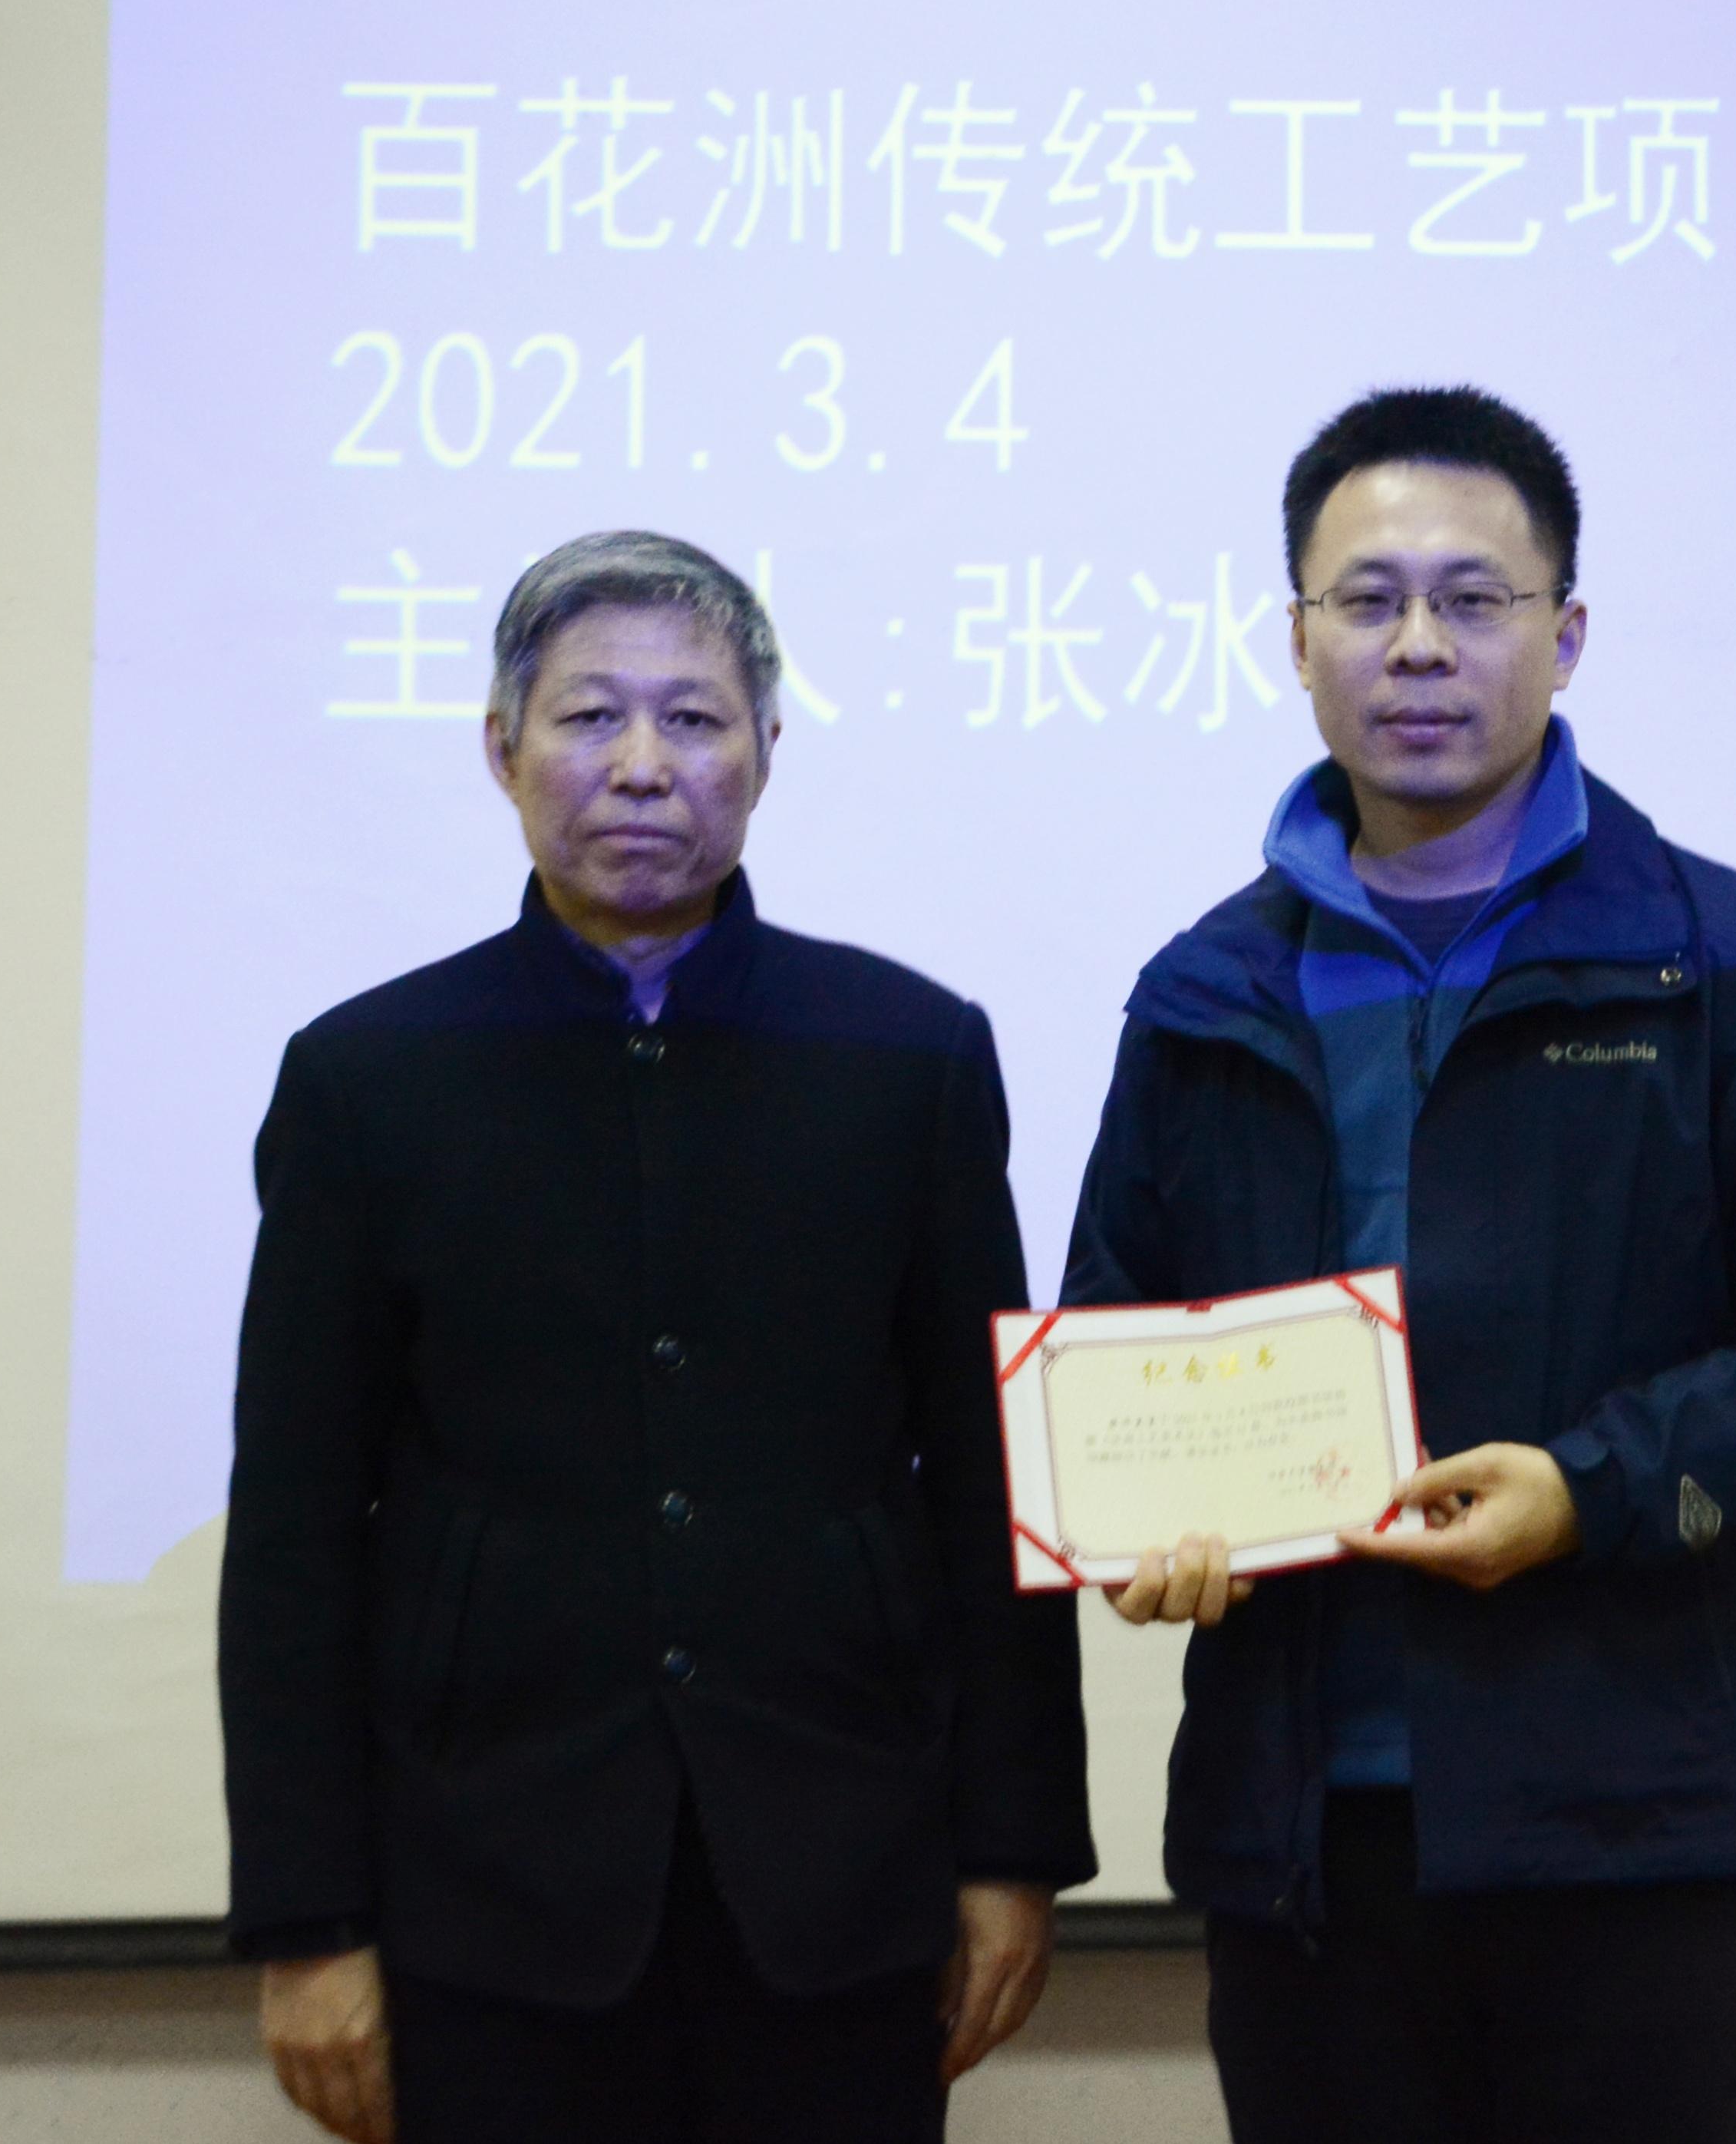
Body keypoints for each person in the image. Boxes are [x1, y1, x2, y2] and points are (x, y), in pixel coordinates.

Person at [1064, 387, 1736, 2144]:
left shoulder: (1725, 960)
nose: (1419, 644)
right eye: (1368, 598)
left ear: (1566, 634)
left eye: (1472, 599)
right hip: (1306, 1841)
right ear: (1296, 640)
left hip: (1637, 1833)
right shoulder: (1202, 991)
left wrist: (1590, 1489)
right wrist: (1145, 1521)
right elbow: (1116, 1345)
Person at [219, 530, 1091, 2144]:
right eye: (587, 716)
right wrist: (306, 1917)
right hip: (486, 1876)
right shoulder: (367, 1078)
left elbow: (991, 1484)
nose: (640, 765)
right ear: (502, 747)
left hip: (839, 1866)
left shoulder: (907, 1056)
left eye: (693, 719)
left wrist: (1013, 1852)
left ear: (766, 751)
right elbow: (293, 1528)